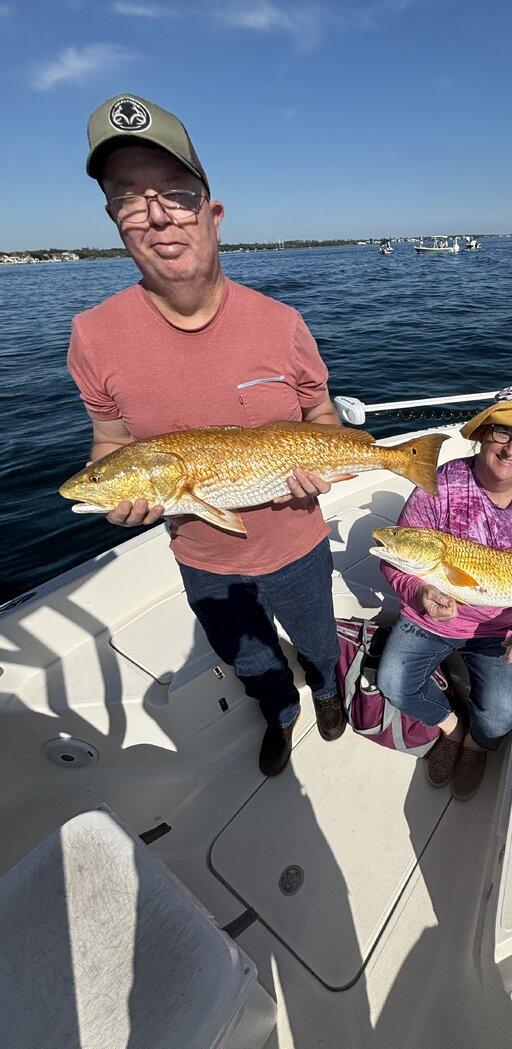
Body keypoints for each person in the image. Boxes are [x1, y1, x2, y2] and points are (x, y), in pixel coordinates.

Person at [66, 92, 346, 776]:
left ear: (211, 212)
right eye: (128, 196)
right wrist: (112, 486)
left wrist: (326, 467)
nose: (157, 213)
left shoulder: (281, 322)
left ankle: (332, 691)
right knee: (246, 655)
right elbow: (108, 441)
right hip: (201, 555)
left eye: (175, 193)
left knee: (316, 635)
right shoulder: (92, 336)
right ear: (114, 220)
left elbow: (322, 417)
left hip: (297, 538)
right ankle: (279, 714)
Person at [375, 387, 512, 800]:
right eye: (502, 433)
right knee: (392, 683)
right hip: (430, 619)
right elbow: (394, 561)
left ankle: (477, 745)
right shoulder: (438, 486)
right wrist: (420, 592)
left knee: (496, 720)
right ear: (482, 434)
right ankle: (454, 729)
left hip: (503, 630)